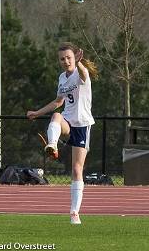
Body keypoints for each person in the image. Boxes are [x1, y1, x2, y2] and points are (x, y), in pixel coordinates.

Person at [27, 42, 98, 225]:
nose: (65, 61)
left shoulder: (81, 73)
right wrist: (37, 112)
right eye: (62, 59)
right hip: (68, 121)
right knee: (57, 115)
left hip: (82, 125)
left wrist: (80, 64)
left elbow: (83, 74)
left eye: (69, 58)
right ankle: (52, 144)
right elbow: (58, 102)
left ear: (75, 58)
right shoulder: (62, 78)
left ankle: (74, 212)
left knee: (76, 169)